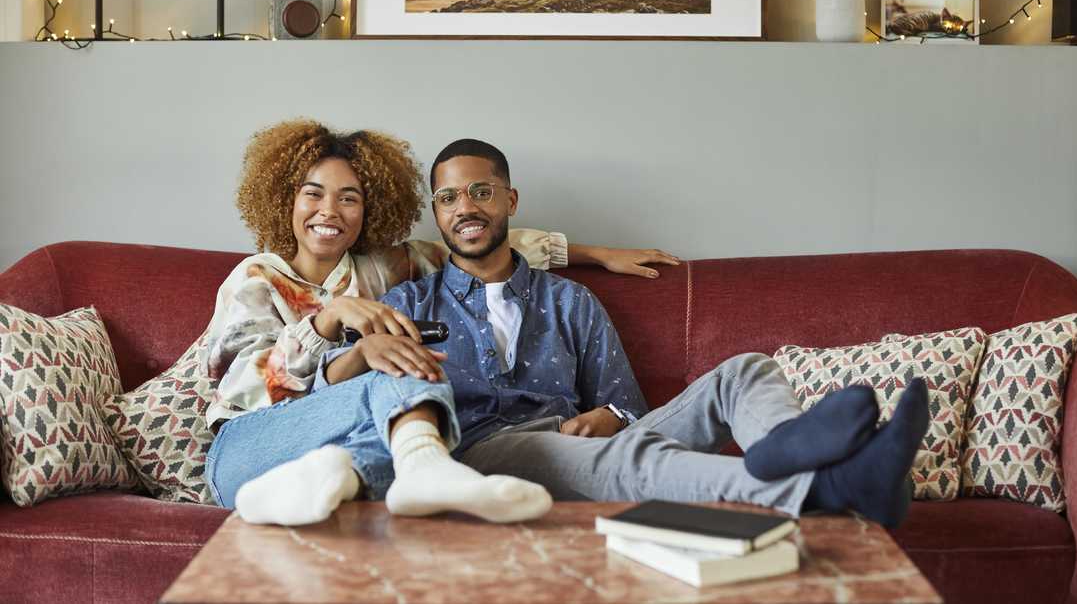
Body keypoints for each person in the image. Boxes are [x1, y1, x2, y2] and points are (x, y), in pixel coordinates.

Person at [329, 138, 930, 527]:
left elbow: (628, 404)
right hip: (487, 451)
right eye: (449, 198)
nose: (466, 208)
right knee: (629, 456)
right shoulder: (407, 301)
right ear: (437, 215)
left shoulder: (571, 302)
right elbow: (368, 395)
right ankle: (827, 487)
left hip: (579, 440)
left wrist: (611, 416)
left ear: (510, 199)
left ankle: (788, 446)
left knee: (746, 369)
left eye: (481, 191)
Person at [202, 120, 679, 526]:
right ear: (286, 200)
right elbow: (247, 390)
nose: (330, 211)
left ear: (367, 211)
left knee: (392, 381)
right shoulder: (254, 279)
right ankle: (422, 465)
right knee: (393, 368)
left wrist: (598, 254)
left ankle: (343, 476)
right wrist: (328, 321)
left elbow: (481, 241)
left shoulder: (385, 270)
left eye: (349, 199)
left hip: (330, 452)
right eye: (313, 195)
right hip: (251, 443)